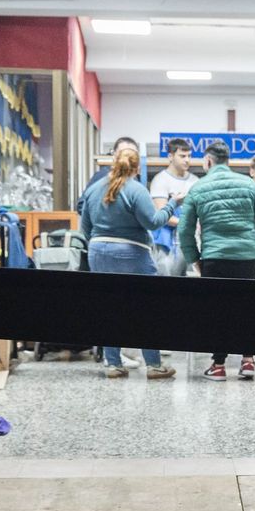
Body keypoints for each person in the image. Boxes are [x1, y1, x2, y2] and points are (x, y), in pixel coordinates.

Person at [176, 142, 255, 381]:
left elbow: (184, 231)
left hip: (214, 258)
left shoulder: (198, 187)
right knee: (246, 307)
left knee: (219, 310)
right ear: (228, 162)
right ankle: (248, 361)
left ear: (208, 162)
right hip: (246, 257)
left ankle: (219, 365)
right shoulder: (248, 185)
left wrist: (195, 259)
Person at [79, 144, 177, 380]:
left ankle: (113, 364)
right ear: (136, 168)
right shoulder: (136, 189)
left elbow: (85, 228)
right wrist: (173, 203)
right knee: (146, 308)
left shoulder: (95, 189)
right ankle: (153, 365)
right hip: (131, 252)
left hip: (98, 251)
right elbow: (153, 221)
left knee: (109, 307)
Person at [150, 137, 198, 277]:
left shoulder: (195, 181)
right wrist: (187, 222)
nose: (187, 160)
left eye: (189, 156)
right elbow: (162, 215)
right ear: (170, 156)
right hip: (167, 244)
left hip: (189, 242)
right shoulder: (160, 180)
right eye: (182, 156)